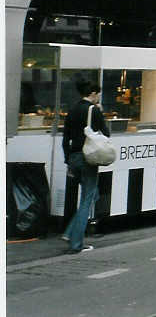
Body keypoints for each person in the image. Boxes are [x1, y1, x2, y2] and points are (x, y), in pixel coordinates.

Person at [61, 80, 109, 253]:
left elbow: (65, 139)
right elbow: (106, 133)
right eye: (98, 95)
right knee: (88, 199)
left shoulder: (72, 110)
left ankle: (70, 232)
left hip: (73, 157)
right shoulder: (93, 110)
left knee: (92, 194)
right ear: (93, 93)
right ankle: (76, 243)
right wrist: (100, 113)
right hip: (88, 157)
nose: (98, 98)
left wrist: (68, 161)